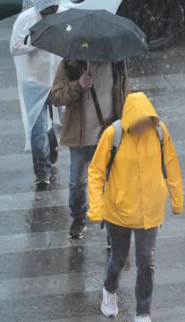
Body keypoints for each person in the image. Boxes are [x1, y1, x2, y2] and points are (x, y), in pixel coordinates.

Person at [87, 92, 184, 321]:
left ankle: (143, 311)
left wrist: (176, 200)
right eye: (139, 123)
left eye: (146, 122)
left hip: (149, 212)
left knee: (146, 262)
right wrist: (96, 209)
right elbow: (96, 172)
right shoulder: (114, 135)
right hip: (118, 212)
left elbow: (171, 164)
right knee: (118, 259)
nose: (143, 127)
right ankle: (109, 290)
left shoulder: (159, 132)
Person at [50, 59, 129, 239]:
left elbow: (125, 97)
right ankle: (78, 218)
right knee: (77, 182)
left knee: (111, 183)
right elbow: (56, 96)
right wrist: (78, 85)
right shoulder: (71, 64)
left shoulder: (117, 63)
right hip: (80, 137)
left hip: (108, 135)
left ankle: (112, 225)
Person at [10, 0, 63, 189]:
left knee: (61, 123)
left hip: (58, 78)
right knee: (37, 128)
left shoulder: (63, 15)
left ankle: (51, 145)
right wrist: (35, 42)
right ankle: (42, 171)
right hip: (35, 81)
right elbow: (14, 47)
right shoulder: (25, 21)